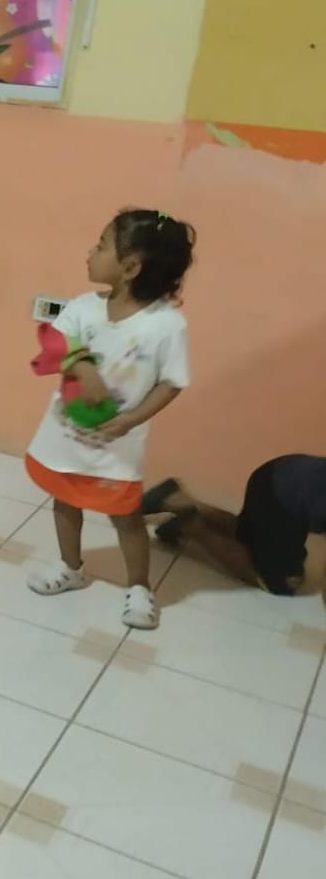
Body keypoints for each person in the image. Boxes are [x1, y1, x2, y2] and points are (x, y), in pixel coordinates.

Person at [24, 210, 196, 630]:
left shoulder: (166, 325)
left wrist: (131, 420)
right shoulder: (84, 307)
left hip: (116, 444)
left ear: (131, 267)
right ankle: (71, 567)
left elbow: (172, 383)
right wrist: (82, 367)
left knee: (126, 515)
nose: (90, 252)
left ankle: (139, 587)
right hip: (67, 434)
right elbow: (55, 339)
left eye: (101, 245)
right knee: (64, 499)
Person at [143, 459, 326, 596]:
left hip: (279, 472)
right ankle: (191, 524)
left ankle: (180, 500)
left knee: (252, 533)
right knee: (283, 582)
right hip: (281, 497)